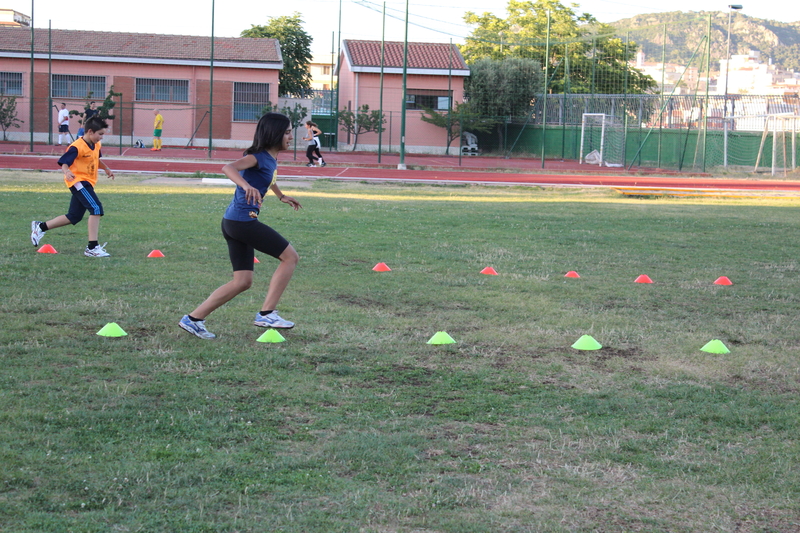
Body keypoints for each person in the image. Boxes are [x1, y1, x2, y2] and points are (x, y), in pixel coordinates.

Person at [179, 112, 302, 339]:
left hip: (233, 222)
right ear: (274, 134)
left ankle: (193, 319)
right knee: (290, 257)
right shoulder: (257, 156)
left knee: (242, 281)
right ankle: (267, 313)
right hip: (242, 222)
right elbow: (228, 168)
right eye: (287, 132)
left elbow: (269, 178)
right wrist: (245, 186)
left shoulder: (270, 159)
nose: (291, 137)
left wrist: (281, 196)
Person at [31, 116, 115, 257]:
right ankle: (92, 247)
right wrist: (67, 171)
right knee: (96, 208)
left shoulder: (96, 145)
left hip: (88, 182)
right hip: (78, 182)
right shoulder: (77, 146)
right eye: (100, 134)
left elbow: (96, 159)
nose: (101, 137)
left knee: (74, 216)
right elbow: (64, 162)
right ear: (90, 131)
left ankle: (40, 226)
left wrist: (106, 168)